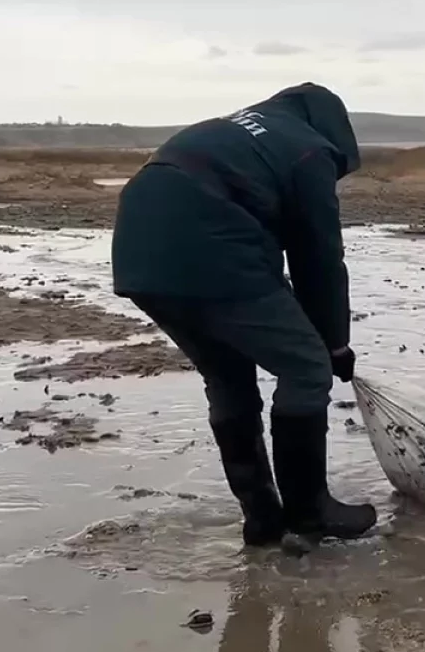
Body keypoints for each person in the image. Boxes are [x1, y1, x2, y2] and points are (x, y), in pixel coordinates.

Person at [110, 82, 376, 548]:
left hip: (139, 254)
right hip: (208, 243)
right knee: (306, 369)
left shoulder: (243, 132)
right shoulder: (309, 151)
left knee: (228, 376)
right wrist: (334, 345)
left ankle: (262, 519)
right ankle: (310, 512)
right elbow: (318, 259)